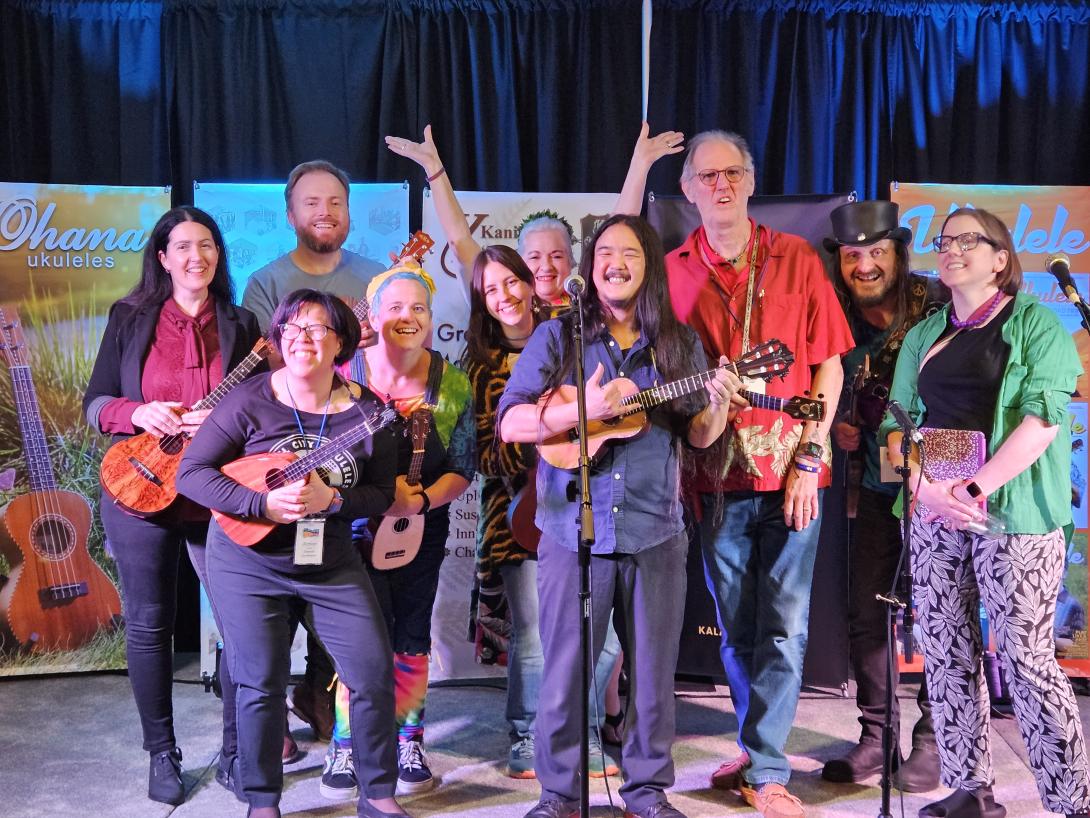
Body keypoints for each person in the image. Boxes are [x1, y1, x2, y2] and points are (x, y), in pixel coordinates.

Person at [498, 214, 743, 818]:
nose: (616, 262)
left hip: (655, 529)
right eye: (605, 251)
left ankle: (647, 793)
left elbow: (702, 436)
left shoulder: (678, 345)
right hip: (568, 529)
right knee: (565, 670)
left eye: (630, 252)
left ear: (649, 266)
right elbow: (511, 421)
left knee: (654, 675)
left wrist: (718, 402)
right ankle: (559, 794)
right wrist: (578, 409)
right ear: (590, 265)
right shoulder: (559, 338)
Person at [663, 130, 854, 818]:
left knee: (783, 626)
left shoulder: (798, 259)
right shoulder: (671, 270)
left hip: (792, 477)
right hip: (712, 480)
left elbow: (829, 364)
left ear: (749, 181)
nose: (719, 185)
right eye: (705, 176)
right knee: (736, 625)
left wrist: (810, 456)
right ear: (687, 190)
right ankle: (755, 746)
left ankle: (770, 768)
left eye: (731, 173)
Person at [880, 207, 1090, 818]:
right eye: (944, 241)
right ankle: (969, 788)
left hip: (1014, 514)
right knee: (944, 654)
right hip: (933, 510)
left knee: (1025, 660)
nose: (952, 248)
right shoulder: (924, 333)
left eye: (969, 239)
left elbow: (1044, 420)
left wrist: (972, 490)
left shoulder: (1037, 325)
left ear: (1001, 259)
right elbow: (899, 427)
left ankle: (1070, 802)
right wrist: (924, 490)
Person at [175, 289, 406, 818]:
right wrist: (261, 502)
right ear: (279, 338)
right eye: (293, 329)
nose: (304, 339)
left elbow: (383, 494)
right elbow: (192, 474)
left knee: (371, 673)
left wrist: (336, 499)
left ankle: (378, 794)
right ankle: (262, 801)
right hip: (247, 562)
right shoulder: (249, 399)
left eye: (318, 328)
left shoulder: (370, 412)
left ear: (341, 341)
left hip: (329, 562)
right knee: (259, 681)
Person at [83, 205, 263, 806]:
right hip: (141, 488)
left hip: (216, 493)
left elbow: (268, 405)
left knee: (241, 628)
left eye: (207, 245)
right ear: (162, 257)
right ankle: (162, 752)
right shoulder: (130, 318)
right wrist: (137, 412)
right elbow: (95, 404)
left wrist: (228, 418)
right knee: (149, 624)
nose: (197, 257)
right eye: (183, 246)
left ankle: (239, 752)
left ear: (219, 255)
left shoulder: (245, 325)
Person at [460, 244, 622, 780]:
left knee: (605, 637)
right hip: (518, 514)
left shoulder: (571, 336)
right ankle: (528, 737)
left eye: (511, 282)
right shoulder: (477, 367)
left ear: (531, 283)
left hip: (589, 501)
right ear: (481, 302)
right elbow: (481, 453)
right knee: (534, 636)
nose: (504, 296)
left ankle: (586, 731)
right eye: (490, 290)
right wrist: (543, 433)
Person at [319, 263, 476, 800]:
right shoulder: (342, 376)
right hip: (348, 523)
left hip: (421, 526)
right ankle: (347, 743)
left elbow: (463, 465)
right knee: (355, 638)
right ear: (374, 317)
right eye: (395, 308)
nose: (406, 317)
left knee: (410, 633)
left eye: (418, 308)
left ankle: (409, 739)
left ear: (432, 318)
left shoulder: (451, 382)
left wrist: (421, 502)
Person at [241, 159, 382, 745]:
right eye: (311, 203)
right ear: (290, 213)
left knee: (344, 591)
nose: (325, 213)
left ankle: (322, 700)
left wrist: (376, 338)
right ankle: (260, 728)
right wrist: (330, 342)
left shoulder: (375, 278)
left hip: (350, 456)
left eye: (336, 202)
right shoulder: (265, 283)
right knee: (265, 613)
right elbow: (253, 371)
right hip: (280, 465)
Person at [820, 200, 942, 791]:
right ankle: (876, 736)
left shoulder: (940, 305)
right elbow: (829, 385)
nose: (864, 265)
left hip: (937, 491)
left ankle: (935, 738)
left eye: (876, 252)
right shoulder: (835, 315)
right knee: (868, 616)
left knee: (942, 617)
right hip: (872, 489)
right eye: (852, 255)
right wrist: (844, 420)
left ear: (898, 252)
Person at [384, 122, 685, 305]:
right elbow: (460, 240)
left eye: (556, 256)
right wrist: (434, 171)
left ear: (573, 262)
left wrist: (640, 163)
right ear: (518, 262)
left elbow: (620, 228)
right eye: (535, 257)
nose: (546, 266)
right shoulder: (501, 298)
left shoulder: (583, 302)